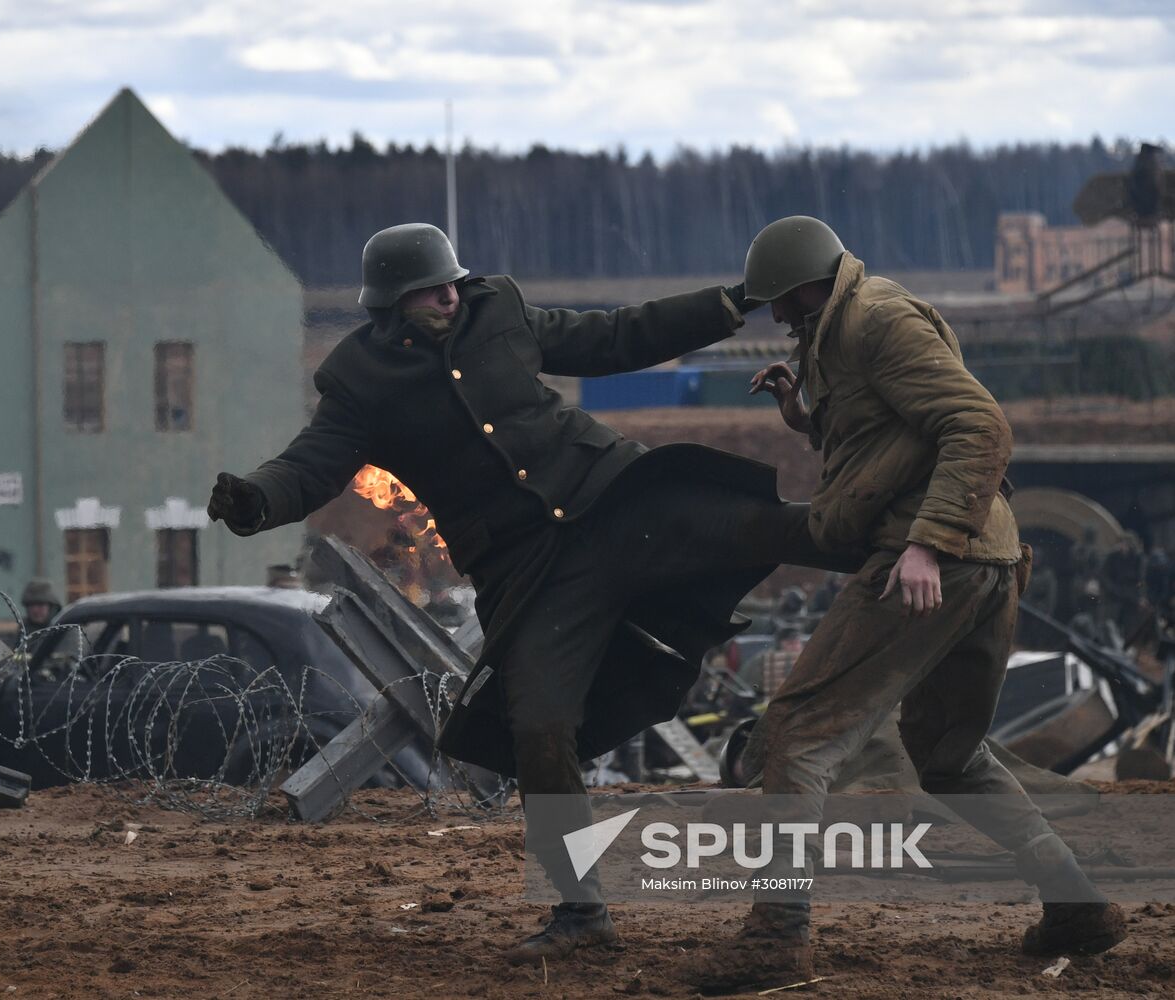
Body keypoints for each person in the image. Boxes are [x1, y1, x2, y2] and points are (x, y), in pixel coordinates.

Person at [208, 222, 851, 965]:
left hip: (616, 500)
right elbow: (311, 464)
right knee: (539, 726)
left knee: (760, 526)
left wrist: (729, 303)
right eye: (430, 291)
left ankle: (914, 531)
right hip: (532, 571)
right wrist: (256, 499)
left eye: (453, 281)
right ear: (391, 302)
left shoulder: (498, 309)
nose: (451, 295)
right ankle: (580, 911)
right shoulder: (357, 382)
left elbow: (614, 337)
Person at [681, 216, 1127, 994]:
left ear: (810, 283)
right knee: (948, 755)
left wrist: (924, 544)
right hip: (982, 562)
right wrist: (804, 415)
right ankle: (1076, 908)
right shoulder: (840, 327)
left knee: (796, 731)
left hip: (931, 562)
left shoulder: (878, 320)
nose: (777, 318)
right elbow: (890, 435)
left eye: (782, 302)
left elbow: (975, 423)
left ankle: (775, 940)